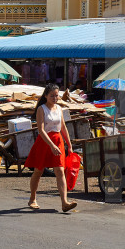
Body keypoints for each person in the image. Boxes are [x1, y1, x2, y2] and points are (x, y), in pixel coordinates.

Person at [26, 84, 76, 212]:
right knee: (38, 171)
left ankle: (64, 202)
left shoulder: (59, 108)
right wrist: (51, 145)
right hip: (44, 142)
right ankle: (32, 198)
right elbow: (41, 130)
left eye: (57, 95)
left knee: (60, 171)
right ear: (46, 96)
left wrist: (69, 145)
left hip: (58, 141)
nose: (55, 98)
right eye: (52, 95)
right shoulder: (41, 109)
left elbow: (63, 127)